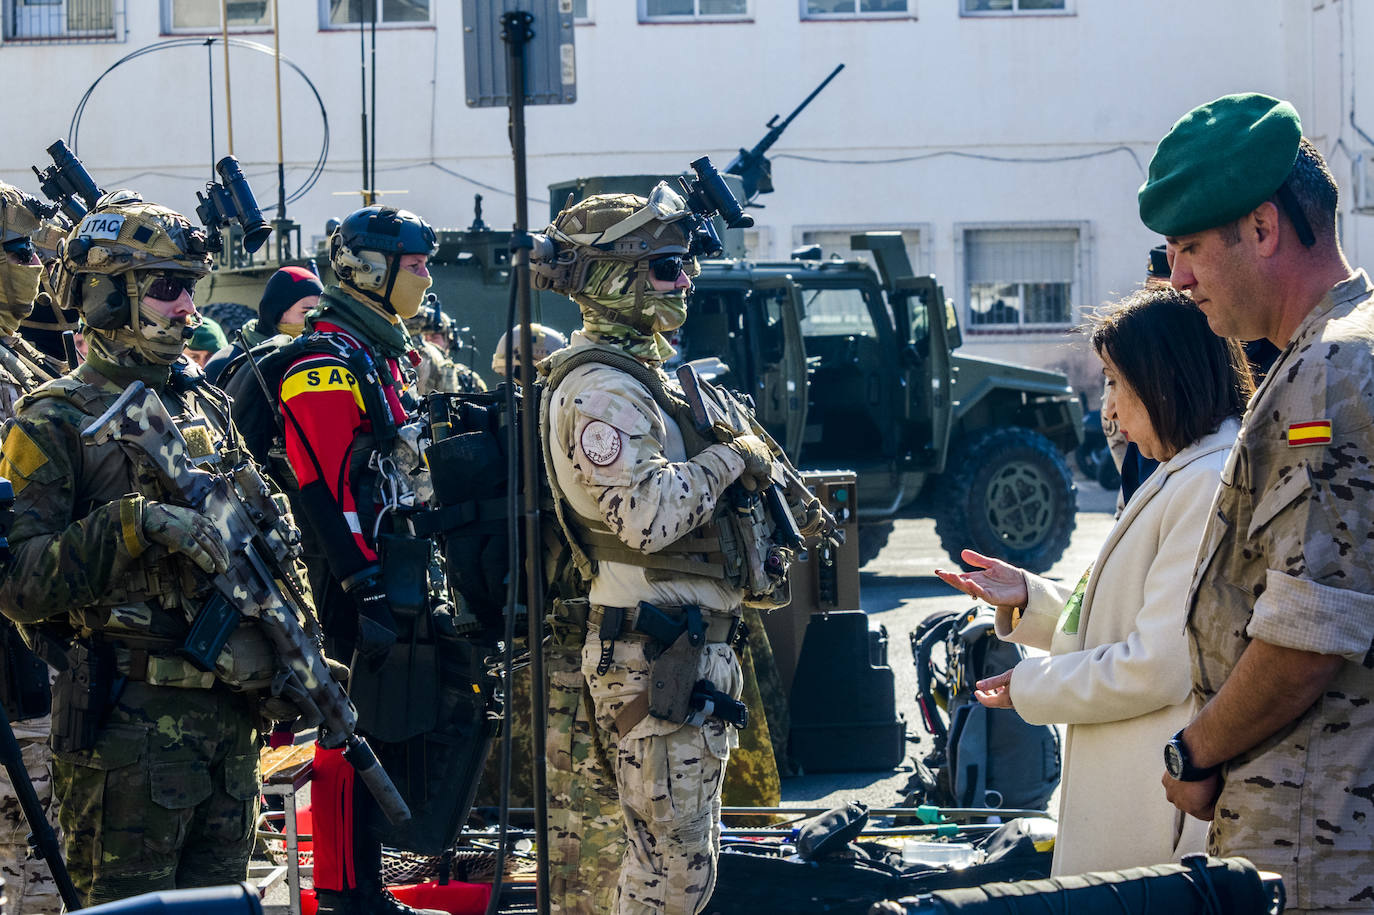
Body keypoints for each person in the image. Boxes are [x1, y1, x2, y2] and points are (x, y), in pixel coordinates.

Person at [533, 186, 823, 915]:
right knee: (674, 875)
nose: (684, 280)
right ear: (613, 277)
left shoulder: (643, 380)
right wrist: (734, 457)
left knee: (674, 865)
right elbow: (648, 515)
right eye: (666, 267)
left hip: (680, 653)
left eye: (686, 264)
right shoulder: (601, 389)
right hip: (655, 655)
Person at [0, 190, 289, 905]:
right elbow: (19, 586)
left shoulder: (203, 404)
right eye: (165, 288)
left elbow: (267, 540)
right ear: (107, 297)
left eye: (188, 288)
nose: (186, 307)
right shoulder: (54, 420)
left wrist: (294, 644)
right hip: (125, 738)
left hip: (229, 730)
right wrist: (135, 525)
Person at [1138, 93, 1374, 914]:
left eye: (1190, 248)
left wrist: (1194, 752)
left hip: (1320, 840)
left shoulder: (1331, 370)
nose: (1179, 279)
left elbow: (1310, 630)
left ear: (1264, 227)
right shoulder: (1338, 350)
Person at [936, 284, 1252, 876]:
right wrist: (1032, 599)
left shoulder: (1204, 480)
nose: (1109, 410)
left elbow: (1156, 664)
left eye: (1114, 382)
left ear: (1162, 380)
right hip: (1134, 782)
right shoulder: (1186, 470)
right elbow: (1129, 614)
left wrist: (1030, 685)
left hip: (1149, 796)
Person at [272, 205, 444, 915]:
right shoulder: (325, 359)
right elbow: (322, 482)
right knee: (346, 730)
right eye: (416, 265)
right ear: (371, 270)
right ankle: (348, 891)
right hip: (343, 573)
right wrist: (363, 582)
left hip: (383, 563)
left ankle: (364, 884)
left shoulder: (378, 349)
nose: (426, 278)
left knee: (379, 721)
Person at [0, 181, 65, 915]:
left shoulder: (20, 356)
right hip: (12, 644)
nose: (35, 267)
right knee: (33, 841)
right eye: (18, 252)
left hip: (30, 638)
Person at [203, 264, 321, 384]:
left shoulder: (320, 357)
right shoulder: (225, 364)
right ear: (276, 313)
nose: (315, 320)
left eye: (320, 312)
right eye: (306, 312)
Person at [403, 294, 486, 395]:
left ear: (450, 341)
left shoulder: (467, 379)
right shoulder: (416, 357)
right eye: (424, 337)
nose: (428, 341)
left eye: (434, 337)